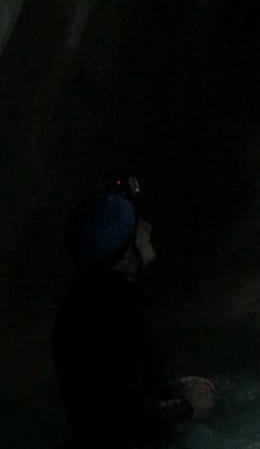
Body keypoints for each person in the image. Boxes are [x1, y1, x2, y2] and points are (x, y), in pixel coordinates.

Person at [53, 178, 215, 446]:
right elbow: (116, 413)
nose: (148, 228)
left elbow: (110, 387)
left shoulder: (92, 300)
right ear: (126, 254)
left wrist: (167, 389)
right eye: (139, 226)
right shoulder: (112, 312)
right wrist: (185, 407)